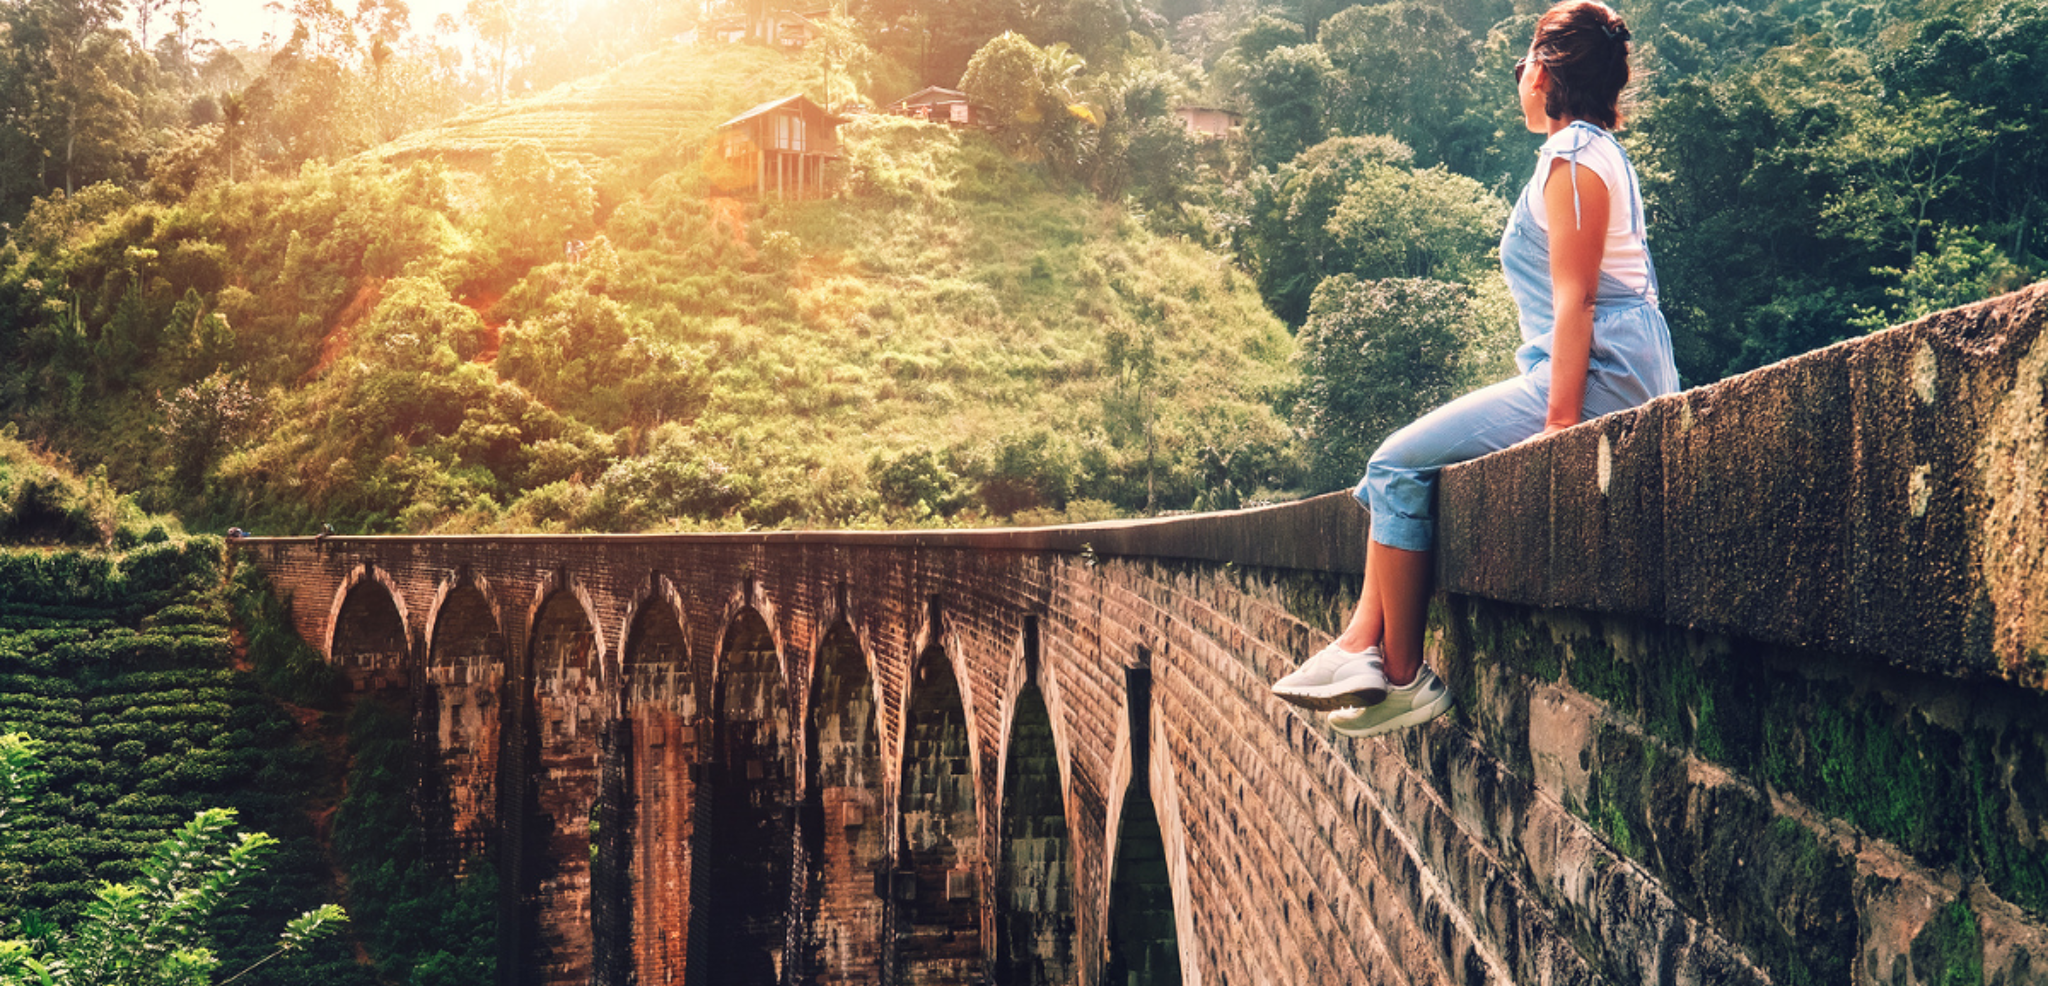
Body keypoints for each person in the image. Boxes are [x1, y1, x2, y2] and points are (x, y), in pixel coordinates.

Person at [1271, 0, 1679, 737]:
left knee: (1396, 462)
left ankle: (1402, 677)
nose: (1518, 74)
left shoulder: (1574, 158)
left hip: (1598, 377)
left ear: (1548, 71)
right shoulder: (1586, 153)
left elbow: (1578, 299)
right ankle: (1361, 642)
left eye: (1526, 58)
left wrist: (1558, 429)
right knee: (1398, 467)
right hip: (1604, 365)